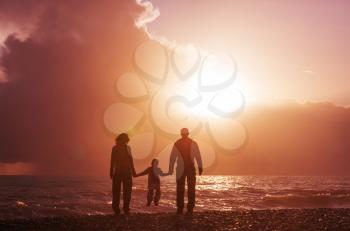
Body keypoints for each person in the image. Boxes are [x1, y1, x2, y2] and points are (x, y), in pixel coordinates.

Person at [168, 128, 203, 214]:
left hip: (180, 168)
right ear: (188, 134)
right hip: (190, 168)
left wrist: (171, 168)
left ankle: (180, 207)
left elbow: (172, 157)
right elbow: (198, 156)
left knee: (180, 188)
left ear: (181, 134)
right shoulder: (193, 143)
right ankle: (190, 207)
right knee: (191, 188)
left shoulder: (178, 143)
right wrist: (200, 167)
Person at [110, 133, 136, 215]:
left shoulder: (127, 148)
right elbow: (112, 161)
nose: (126, 141)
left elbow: (131, 160)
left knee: (125, 191)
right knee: (118, 191)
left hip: (125, 172)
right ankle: (118, 208)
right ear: (121, 139)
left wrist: (133, 170)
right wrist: (111, 171)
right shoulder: (115, 148)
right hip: (120, 172)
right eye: (125, 139)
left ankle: (124, 208)